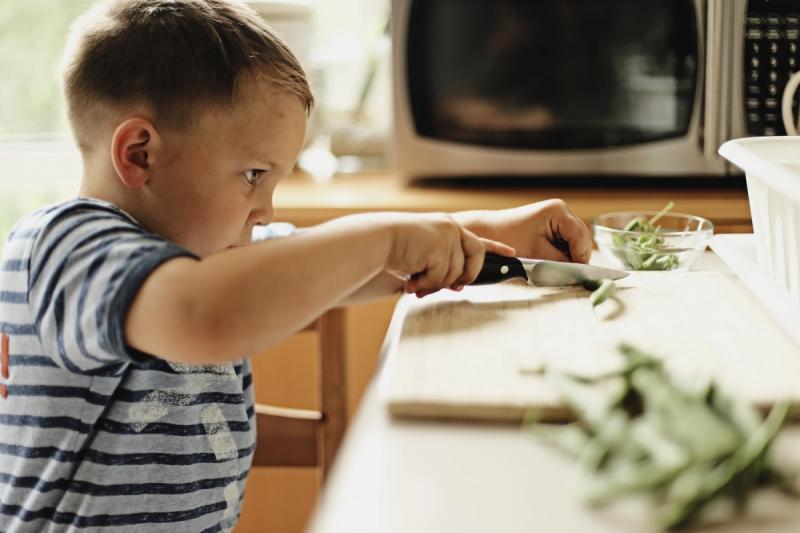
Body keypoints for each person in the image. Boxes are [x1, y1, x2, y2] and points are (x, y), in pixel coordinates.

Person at [0, 0, 592, 531]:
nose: (267, 208)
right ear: (140, 153)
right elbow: (204, 314)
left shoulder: (211, 252)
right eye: (254, 175)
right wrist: (386, 237)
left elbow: (341, 269)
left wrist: (483, 235)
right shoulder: (66, 247)